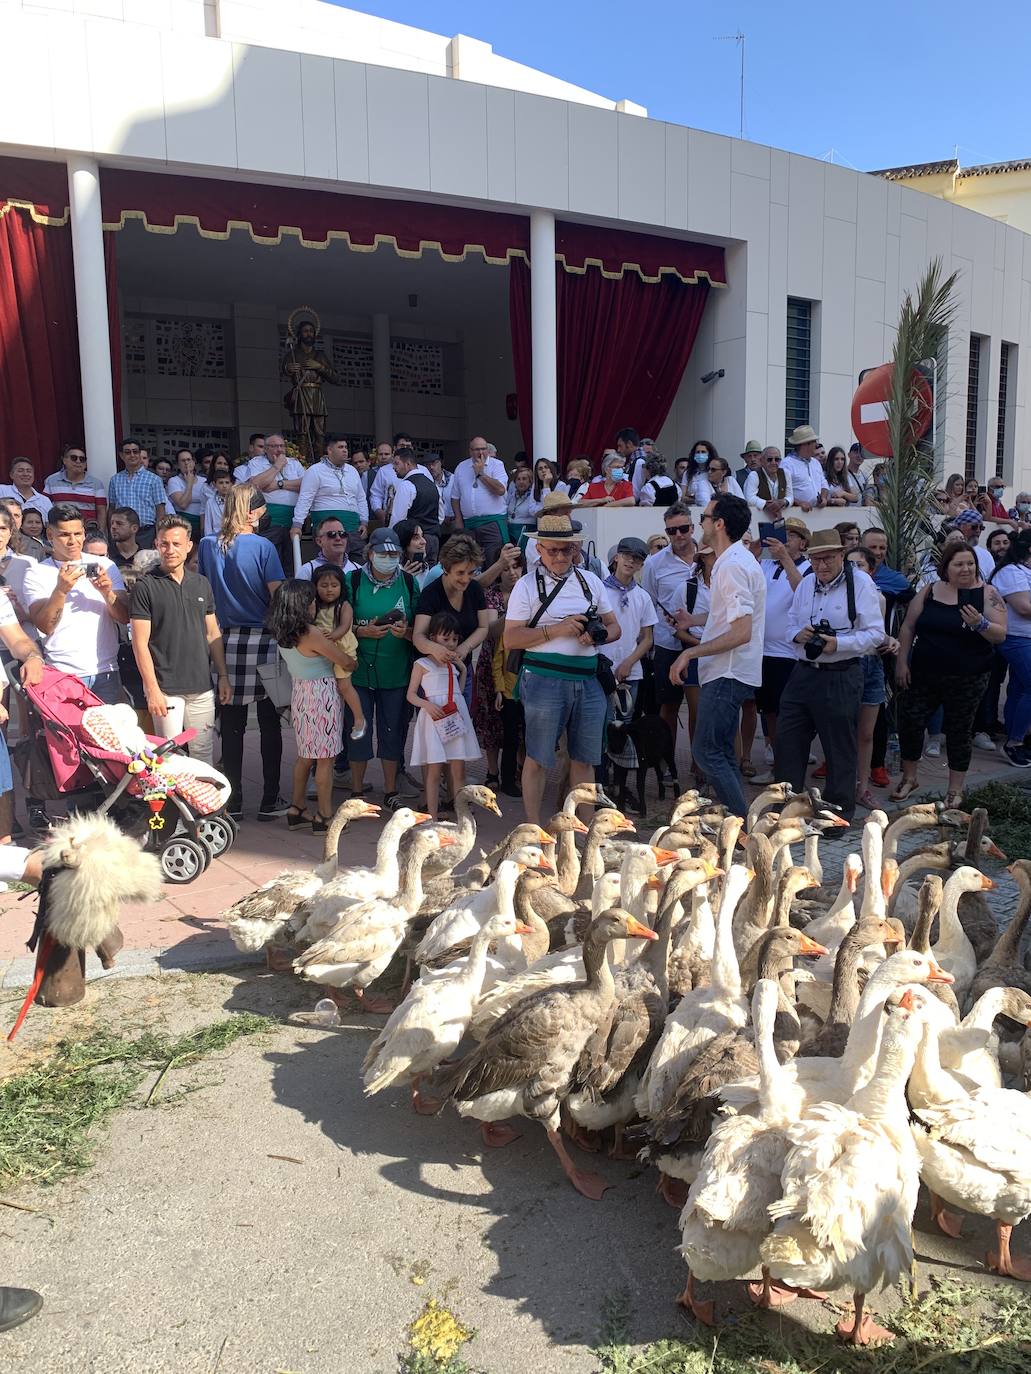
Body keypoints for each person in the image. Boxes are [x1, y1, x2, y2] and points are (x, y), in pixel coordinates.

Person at [503, 507, 618, 825]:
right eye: (552, 550)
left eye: (566, 549)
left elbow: (614, 627)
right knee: (538, 757)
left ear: (575, 548)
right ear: (539, 549)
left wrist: (596, 638)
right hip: (543, 678)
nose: (559, 556)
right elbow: (510, 639)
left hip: (588, 680)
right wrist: (557, 630)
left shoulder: (591, 582)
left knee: (585, 761)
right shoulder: (526, 586)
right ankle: (532, 826)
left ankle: (586, 832)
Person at [772, 527, 884, 821]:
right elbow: (790, 625)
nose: (821, 566)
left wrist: (838, 644)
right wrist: (800, 635)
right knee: (787, 740)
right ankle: (788, 808)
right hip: (803, 672)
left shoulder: (859, 583)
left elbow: (875, 634)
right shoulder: (807, 583)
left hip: (841, 673)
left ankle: (836, 815)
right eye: (816, 559)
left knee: (839, 748)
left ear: (841, 555)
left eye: (828, 559)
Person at [669, 494, 765, 818]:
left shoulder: (732, 565)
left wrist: (690, 654)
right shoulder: (735, 561)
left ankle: (744, 829)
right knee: (721, 752)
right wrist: (695, 622)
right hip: (729, 671)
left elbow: (742, 632)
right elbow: (728, 619)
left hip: (728, 672)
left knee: (706, 751)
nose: (701, 524)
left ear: (719, 524)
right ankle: (738, 823)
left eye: (704, 518)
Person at [890, 541, 1005, 803]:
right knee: (911, 724)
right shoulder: (930, 590)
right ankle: (910, 778)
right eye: (959, 564)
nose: (966, 569)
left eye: (970, 563)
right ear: (946, 567)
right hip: (923, 673)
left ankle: (955, 789)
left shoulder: (987, 593)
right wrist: (902, 662)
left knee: (958, 730)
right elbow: (908, 627)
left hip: (969, 676)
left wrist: (980, 623)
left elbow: (1000, 635)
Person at [197, 487, 287, 820]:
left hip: (223, 639)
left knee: (232, 724)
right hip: (263, 638)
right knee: (269, 723)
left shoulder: (208, 544)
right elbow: (277, 594)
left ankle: (232, 802)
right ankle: (270, 798)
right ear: (252, 512)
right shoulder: (264, 546)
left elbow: (203, 591)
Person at [129, 515, 230, 765]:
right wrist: (152, 689)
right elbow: (140, 642)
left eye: (176, 543)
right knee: (169, 758)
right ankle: (172, 806)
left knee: (203, 754)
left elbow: (212, 633)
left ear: (188, 546)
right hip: (165, 688)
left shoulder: (201, 584)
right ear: (156, 545)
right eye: (164, 544)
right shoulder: (146, 586)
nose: (170, 549)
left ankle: (203, 805)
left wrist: (223, 676)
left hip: (202, 687)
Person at [267, 578, 361, 832]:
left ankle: (296, 809)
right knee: (326, 760)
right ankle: (325, 815)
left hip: (301, 693)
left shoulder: (281, 632)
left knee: (305, 757)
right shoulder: (311, 633)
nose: (314, 604)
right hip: (323, 695)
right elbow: (345, 661)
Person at [343, 527, 418, 808]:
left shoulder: (410, 584)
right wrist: (362, 632)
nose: (388, 558)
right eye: (382, 553)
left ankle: (390, 791)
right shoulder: (352, 580)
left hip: (396, 673)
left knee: (392, 731)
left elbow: (420, 629)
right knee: (358, 730)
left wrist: (406, 632)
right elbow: (339, 625)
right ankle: (357, 791)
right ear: (369, 553)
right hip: (359, 673)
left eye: (393, 554)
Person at [23, 503, 129, 703]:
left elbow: (124, 617)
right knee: (68, 735)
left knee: (108, 734)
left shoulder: (105, 565)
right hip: (62, 672)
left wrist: (107, 592)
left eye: (78, 534)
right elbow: (45, 626)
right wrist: (60, 590)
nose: (73, 541)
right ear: (51, 534)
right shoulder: (36, 572)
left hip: (105, 670)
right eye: (64, 535)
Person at [751, 518, 811, 784]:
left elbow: (804, 594)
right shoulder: (764, 564)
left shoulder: (809, 568)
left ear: (803, 542)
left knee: (790, 714)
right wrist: (752, 551)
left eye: (792, 535)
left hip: (790, 653)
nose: (786, 539)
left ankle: (790, 767)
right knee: (771, 713)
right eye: (782, 534)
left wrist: (786, 558)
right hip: (763, 651)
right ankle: (778, 767)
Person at [408, 610, 481, 819]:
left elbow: (456, 691)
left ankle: (462, 816)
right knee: (434, 770)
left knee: (458, 771)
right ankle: (432, 815)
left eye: (455, 639)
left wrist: (464, 671)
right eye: (445, 638)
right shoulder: (422, 664)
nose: (450, 643)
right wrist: (426, 705)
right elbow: (411, 695)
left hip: (454, 717)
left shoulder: (453, 665)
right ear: (433, 639)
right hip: (434, 718)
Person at [641, 502, 699, 756]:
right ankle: (667, 762)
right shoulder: (654, 564)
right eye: (671, 531)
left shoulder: (709, 557)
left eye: (683, 528)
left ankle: (700, 764)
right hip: (668, 644)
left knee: (699, 708)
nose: (678, 535)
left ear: (692, 527)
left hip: (701, 643)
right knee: (669, 706)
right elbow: (648, 603)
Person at [413, 535, 493, 707]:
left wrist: (465, 647)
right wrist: (436, 649)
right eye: (460, 573)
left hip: (463, 670)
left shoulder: (475, 589)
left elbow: (483, 626)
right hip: (433, 675)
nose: (466, 579)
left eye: (471, 573)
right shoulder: (430, 594)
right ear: (446, 568)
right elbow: (418, 636)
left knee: (463, 726)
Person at [847, 546, 898, 811]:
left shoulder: (878, 597)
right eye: (850, 564)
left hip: (872, 665)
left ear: (871, 569)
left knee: (867, 732)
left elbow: (878, 634)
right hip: (846, 664)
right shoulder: (836, 594)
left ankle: (862, 786)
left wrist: (892, 641)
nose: (855, 570)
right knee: (842, 729)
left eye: (860, 565)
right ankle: (843, 784)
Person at [986, 529, 1031, 767]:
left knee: (1019, 688)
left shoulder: (1024, 571)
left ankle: (1017, 739)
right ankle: (1014, 742)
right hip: (1016, 638)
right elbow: (1023, 607)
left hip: (1027, 638)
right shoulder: (1011, 572)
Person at [311, 564, 366, 738]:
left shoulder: (344, 606)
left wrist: (331, 637)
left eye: (334, 586)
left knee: (344, 686)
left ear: (341, 587)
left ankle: (359, 718)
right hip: (321, 652)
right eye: (324, 585)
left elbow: (344, 627)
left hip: (342, 648)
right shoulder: (314, 606)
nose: (329, 590)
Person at [290, 433, 369, 547]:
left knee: (357, 563)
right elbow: (305, 499)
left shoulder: (352, 471)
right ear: (330, 450)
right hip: (327, 530)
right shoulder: (315, 470)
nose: (345, 450)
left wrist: (364, 522)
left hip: (353, 528)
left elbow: (361, 499)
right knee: (330, 564)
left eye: (346, 447)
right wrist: (297, 524)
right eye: (340, 447)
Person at [239, 432, 305, 560]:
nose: (279, 450)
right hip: (268, 521)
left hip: (292, 521)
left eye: (281, 446)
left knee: (291, 561)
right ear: (266, 449)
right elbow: (255, 485)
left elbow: (305, 485)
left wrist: (278, 484)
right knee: (269, 559)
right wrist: (277, 466)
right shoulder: (256, 462)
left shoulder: (294, 463)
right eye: (274, 446)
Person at [450, 436, 509, 568]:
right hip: (469, 524)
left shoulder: (497, 465)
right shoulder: (461, 467)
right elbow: (455, 497)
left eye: (483, 449)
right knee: (469, 562)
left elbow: (500, 490)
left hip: (492, 523)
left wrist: (481, 474)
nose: (481, 453)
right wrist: (458, 521)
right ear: (470, 451)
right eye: (477, 449)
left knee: (493, 561)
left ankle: (493, 589)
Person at [108, 438, 172, 543]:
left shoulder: (154, 479)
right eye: (128, 452)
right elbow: (111, 508)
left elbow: (160, 511)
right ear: (121, 456)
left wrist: (159, 537)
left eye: (135, 452)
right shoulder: (115, 480)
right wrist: (111, 534)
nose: (132, 455)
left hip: (146, 533)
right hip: (121, 533)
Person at [387, 446, 441, 563]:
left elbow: (398, 519)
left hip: (415, 540)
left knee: (414, 576)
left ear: (408, 464)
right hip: (434, 539)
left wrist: (389, 541)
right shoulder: (433, 485)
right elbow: (440, 515)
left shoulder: (406, 485)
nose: (394, 467)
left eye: (397, 463)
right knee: (430, 576)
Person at [43, 443, 108, 531]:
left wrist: (100, 534)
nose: (78, 461)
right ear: (64, 460)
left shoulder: (96, 484)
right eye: (74, 458)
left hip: (88, 531)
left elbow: (101, 512)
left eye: (82, 459)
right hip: (60, 531)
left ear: (85, 464)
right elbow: (44, 507)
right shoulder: (51, 481)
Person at [782, 426, 829, 512]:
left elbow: (824, 484)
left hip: (817, 514)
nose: (817, 444)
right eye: (814, 441)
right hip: (794, 514)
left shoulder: (816, 463)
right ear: (805, 444)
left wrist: (823, 497)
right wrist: (799, 503)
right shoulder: (787, 464)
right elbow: (781, 492)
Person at [296, 516, 358, 582]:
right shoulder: (307, 571)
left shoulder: (357, 569)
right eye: (331, 534)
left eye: (342, 534)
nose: (338, 538)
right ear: (319, 541)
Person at [743, 446, 792, 521]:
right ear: (761, 461)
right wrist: (767, 504)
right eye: (769, 459)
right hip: (758, 519)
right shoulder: (754, 475)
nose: (773, 463)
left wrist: (783, 502)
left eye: (777, 459)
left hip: (781, 519)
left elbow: (790, 497)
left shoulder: (786, 473)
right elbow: (749, 498)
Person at [166, 449, 206, 540]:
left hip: (202, 522)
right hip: (183, 522)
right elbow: (183, 504)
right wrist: (189, 484)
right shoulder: (174, 481)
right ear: (178, 464)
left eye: (189, 460)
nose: (186, 463)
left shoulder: (203, 481)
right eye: (183, 461)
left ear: (194, 462)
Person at [950, 509, 996, 580]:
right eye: (974, 527)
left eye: (981, 528)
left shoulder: (986, 555)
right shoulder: (948, 551)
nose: (978, 531)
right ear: (960, 527)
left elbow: (991, 580)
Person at [369, 437, 403, 524]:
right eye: (381, 454)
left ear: (393, 454)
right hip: (386, 518)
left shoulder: (409, 468)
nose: (383, 457)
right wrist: (378, 510)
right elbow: (375, 495)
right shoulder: (379, 471)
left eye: (386, 454)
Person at [505, 466, 539, 543]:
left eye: (524, 479)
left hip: (526, 533)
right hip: (510, 533)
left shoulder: (534, 497)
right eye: (518, 479)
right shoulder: (512, 495)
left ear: (530, 481)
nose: (521, 482)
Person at [106, 506, 141, 570]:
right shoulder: (106, 554)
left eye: (119, 523)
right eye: (112, 523)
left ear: (134, 528)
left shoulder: (144, 556)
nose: (113, 526)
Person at [203, 471, 233, 538]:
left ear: (231, 484)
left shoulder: (236, 501)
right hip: (216, 537)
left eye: (227, 482)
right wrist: (208, 539)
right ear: (214, 484)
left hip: (233, 537)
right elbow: (208, 525)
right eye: (221, 483)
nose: (224, 486)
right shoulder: (210, 502)